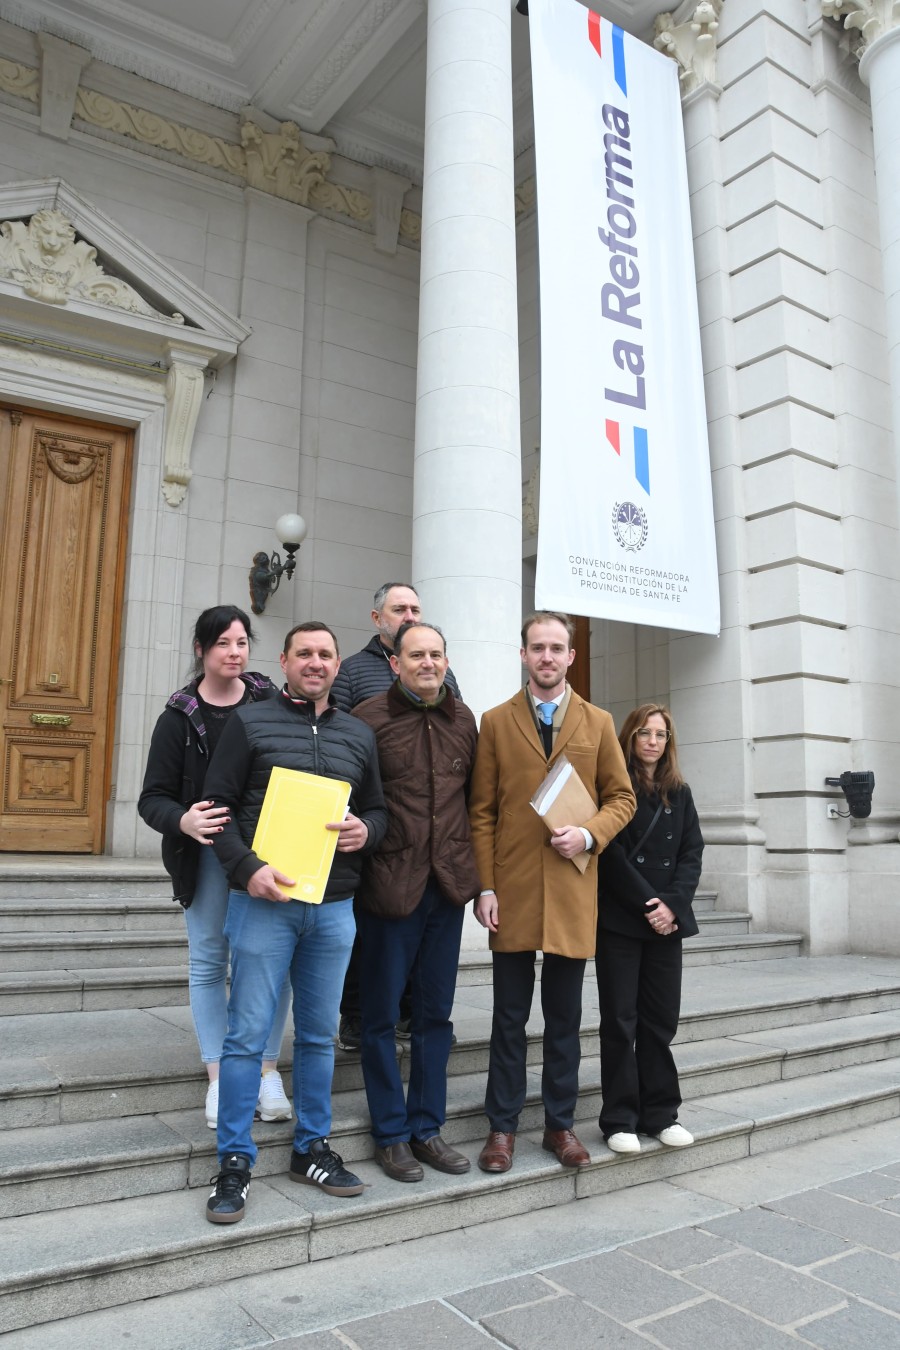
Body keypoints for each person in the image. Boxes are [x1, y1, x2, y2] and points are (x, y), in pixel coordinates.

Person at [202, 621, 387, 1224]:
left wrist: (368, 830)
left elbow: (378, 811)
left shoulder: (359, 734)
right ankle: (234, 1159)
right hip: (263, 904)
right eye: (303, 653)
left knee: (315, 1036)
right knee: (246, 1038)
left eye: (325, 654)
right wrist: (247, 869)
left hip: (333, 908)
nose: (315, 662)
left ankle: (311, 1147)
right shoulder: (248, 724)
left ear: (339, 664)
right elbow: (217, 812)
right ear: (282, 661)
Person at [469, 611, 636, 1174]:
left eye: (556, 648)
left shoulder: (599, 722)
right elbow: (482, 812)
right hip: (511, 891)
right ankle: (502, 1128)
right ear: (523, 654)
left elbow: (623, 799)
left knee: (564, 1019)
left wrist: (589, 834)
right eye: (537, 647)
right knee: (508, 1018)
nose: (546, 656)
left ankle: (560, 1126)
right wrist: (484, 887)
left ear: (570, 657)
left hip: (570, 889)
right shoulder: (494, 722)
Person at [138, 605, 292, 1130]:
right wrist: (183, 821)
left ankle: (267, 1070)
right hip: (204, 857)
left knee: (271, 960)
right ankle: (221, 1079)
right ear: (201, 650)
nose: (235, 652)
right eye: (223, 643)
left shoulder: (272, 702)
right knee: (209, 961)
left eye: (243, 642)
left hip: (264, 852)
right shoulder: (178, 717)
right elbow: (151, 799)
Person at [352, 622, 478, 1182]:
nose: (427, 663)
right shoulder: (366, 721)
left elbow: (477, 803)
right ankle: (391, 1133)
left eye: (435, 654)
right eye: (415, 655)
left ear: (446, 661)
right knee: (379, 1018)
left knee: (435, 1016)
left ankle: (427, 1127)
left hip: (446, 889)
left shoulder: (464, 720)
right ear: (395, 662)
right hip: (388, 887)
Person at [331, 581, 461, 1051]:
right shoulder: (350, 672)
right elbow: (339, 743)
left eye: (415, 608)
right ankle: (356, 1016)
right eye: (398, 608)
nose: (407, 614)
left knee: (418, 949)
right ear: (378, 618)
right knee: (370, 942)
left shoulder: (442, 677)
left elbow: (454, 726)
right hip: (376, 834)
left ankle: (409, 1013)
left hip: (433, 846)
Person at [595, 704, 703, 1154]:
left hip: (666, 924)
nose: (653, 741)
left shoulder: (681, 792)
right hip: (621, 920)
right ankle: (620, 1118)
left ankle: (661, 1114)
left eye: (661, 734)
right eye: (644, 733)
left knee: (659, 1022)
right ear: (630, 737)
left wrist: (672, 906)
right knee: (620, 1022)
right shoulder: (613, 786)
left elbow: (691, 853)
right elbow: (611, 854)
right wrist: (648, 904)